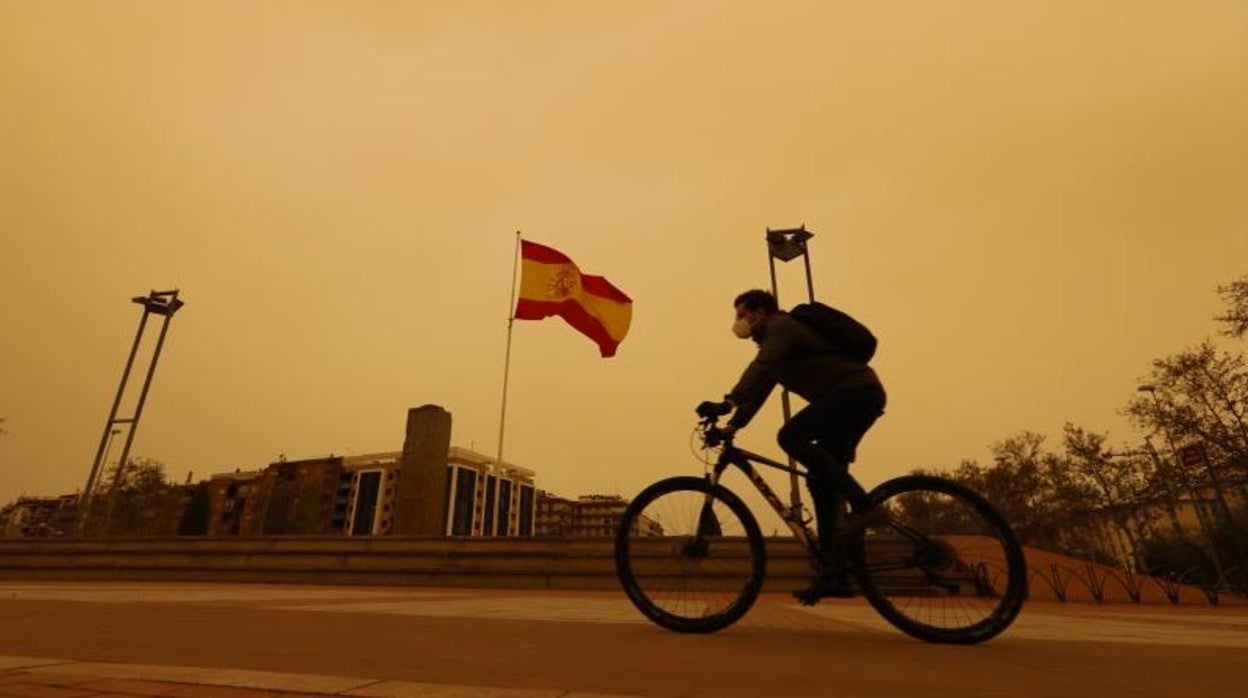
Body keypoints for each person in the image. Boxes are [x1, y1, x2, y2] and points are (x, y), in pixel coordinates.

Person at [698, 289, 887, 599]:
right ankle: (834, 575)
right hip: (852, 396)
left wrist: (728, 401)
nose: (738, 322)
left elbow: (761, 367)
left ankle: (865, 506)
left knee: (789, 436)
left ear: (759, 312)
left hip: (854, 392)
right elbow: (760, 390)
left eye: (741, 314)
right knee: (820, 482)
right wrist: (732, 426)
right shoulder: (776, 342)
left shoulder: (780, 328)